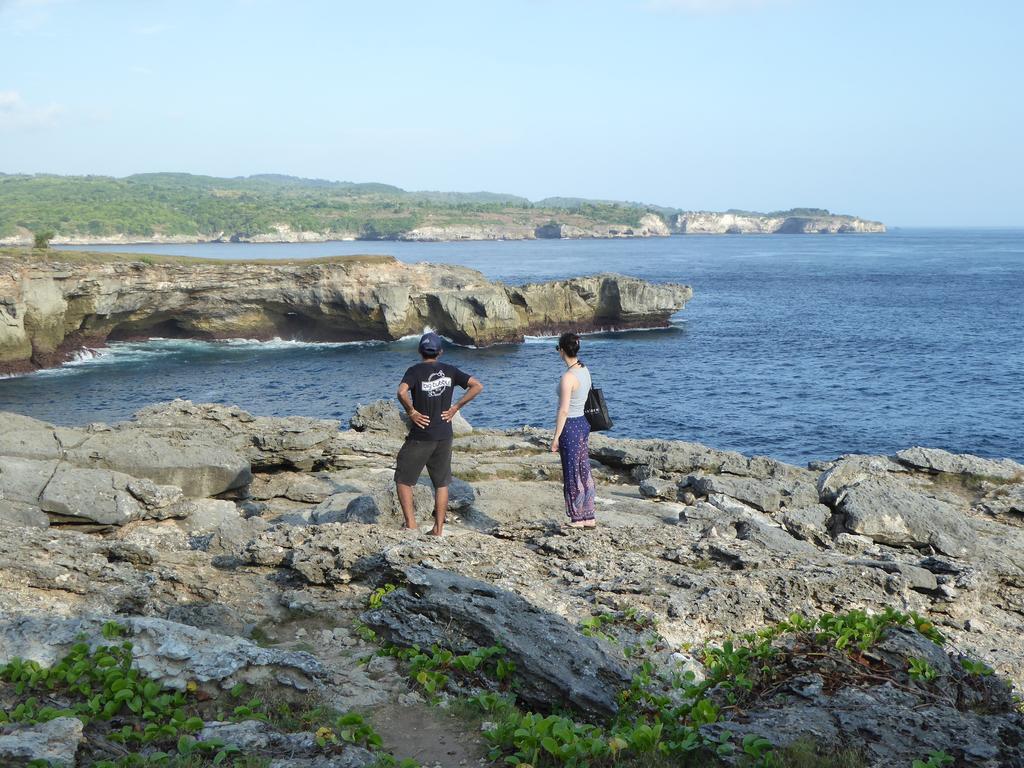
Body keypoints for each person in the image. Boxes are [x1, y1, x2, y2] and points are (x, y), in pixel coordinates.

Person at [395, 331, 483, 536]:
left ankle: (411, 525)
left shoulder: (415, 371)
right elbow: (477, 386)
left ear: (419, 351)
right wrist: (456, 407)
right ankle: (438, 529)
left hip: (421, 435)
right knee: (441, 483)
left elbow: (401, 392)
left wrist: (412, 412)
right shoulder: (450, 371)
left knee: (403, 479)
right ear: (440, 352)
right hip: (445, 433)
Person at [550, 331, 596, 528]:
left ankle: (577, 518)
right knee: (584, 469)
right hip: (584, 423)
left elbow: (564, 410)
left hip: (570, 425)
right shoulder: (584, 370)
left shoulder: (568, 377)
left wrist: (555, 437)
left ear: (561, 351)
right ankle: (589, 516)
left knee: (572, 471)